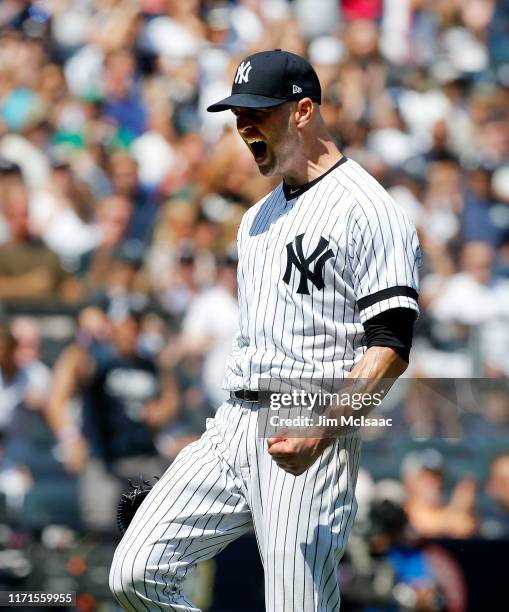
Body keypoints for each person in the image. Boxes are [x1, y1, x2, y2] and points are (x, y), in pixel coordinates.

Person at [110, 49, 420, 611]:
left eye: (258, 112)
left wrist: (321, 430)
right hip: (233, 421)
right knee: (135, 572)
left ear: (303, 111)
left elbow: (391, 346)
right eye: (237, 114)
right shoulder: (257, 218)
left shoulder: (370, 209)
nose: (243, 125)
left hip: (307, 416)